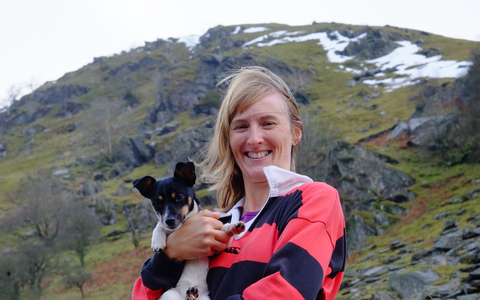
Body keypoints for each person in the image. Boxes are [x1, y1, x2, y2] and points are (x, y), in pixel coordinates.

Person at [131, 66, 346, 300]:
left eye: (268, 123)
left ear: (296, 133)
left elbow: (285, 294)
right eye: (241, 126)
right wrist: (169, 255)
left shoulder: (314, 201)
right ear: (229, 139)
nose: (254, 139)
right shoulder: (212, 225)